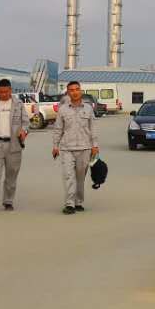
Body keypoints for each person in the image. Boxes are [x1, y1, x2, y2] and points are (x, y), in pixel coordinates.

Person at [52, 79, 99, 215]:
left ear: (81, 91)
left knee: (80, 178)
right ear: (68, 93)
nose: (75, 92)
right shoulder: (62, 110)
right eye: (71, 90)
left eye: (77, 89)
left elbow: (93, 128)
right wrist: (55, 146)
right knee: (69, 176)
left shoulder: (88, 109)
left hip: (85, 148)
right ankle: (70, 204)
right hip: (67, 148)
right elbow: (58, 129)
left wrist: (95, 146)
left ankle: (78, 202)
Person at [0, 78, 27, 211]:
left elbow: (26, 122)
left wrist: (24, 131)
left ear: (10, 90)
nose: (3, 94)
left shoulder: (18, 104)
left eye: (6, 92)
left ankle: (8, 201)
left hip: (14, 144)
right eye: (1, 92)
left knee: (11, 175)